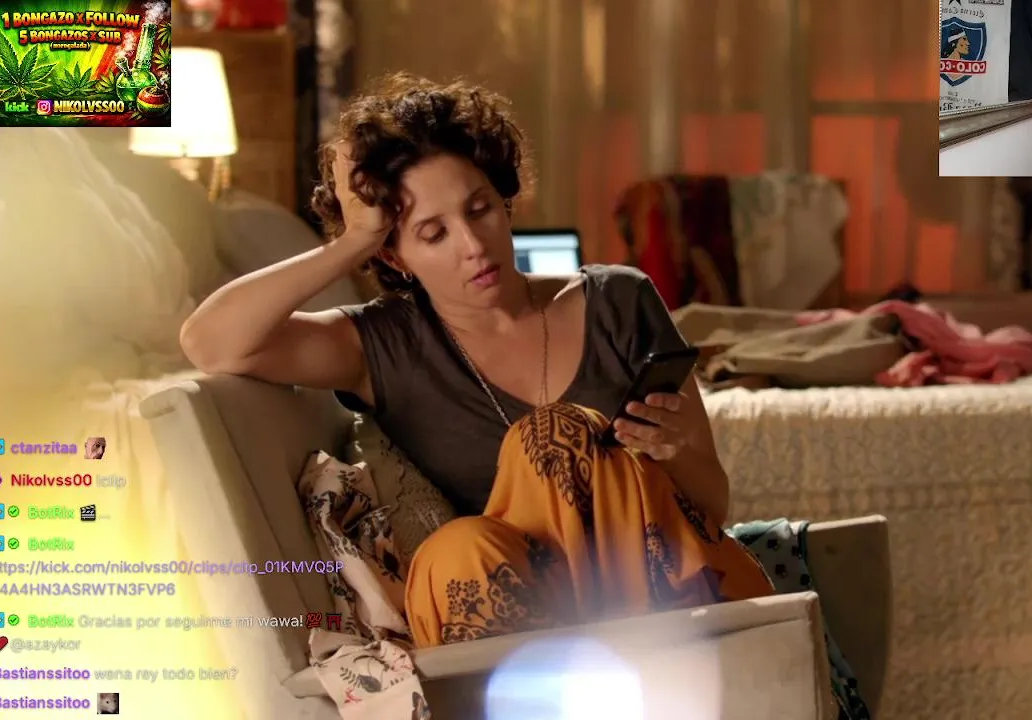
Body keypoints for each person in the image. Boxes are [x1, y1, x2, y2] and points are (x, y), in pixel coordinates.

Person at [179, 73, 773, 647]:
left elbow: (712, 508)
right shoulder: (384, 345)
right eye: (433, 233)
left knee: (552, 435)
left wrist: (676, 454)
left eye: (480, 208)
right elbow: (210, 342)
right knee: (452, 554)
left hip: (666, 602)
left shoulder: (619, 301)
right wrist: (352, 242)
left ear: (505, 203)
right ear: (396, 257)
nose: (473, 245)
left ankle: (625, 659)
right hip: (516, 621)